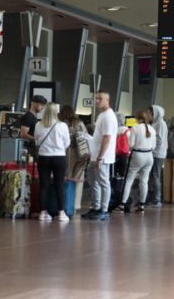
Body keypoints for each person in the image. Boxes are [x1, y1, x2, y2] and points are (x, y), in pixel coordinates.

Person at [82, 91, 118, 221]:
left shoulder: (108, 116)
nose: (97, 101)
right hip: (95, 155)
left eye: (100, 99)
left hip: (102, 157)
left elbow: (107, 138)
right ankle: (96, 207)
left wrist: (100, 157)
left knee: (103, 182)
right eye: (96, 98)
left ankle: (104, 210)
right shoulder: (102, 115)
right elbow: (97, 138)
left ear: (107, 100)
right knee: (93, 181)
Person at [34, 102, 71, 223]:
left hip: (44, 157)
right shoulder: (62, 126)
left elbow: (37, 141)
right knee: (59, 185)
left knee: (44, 185)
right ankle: (61, 213)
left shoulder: (38, 125)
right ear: (56, 112)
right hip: (59, 157)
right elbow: (67, 143)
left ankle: (43, 212)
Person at [121, 109, 155, 213]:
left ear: (138, 118)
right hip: (149, 156)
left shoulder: (135, 128)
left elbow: (131, 144)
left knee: (129, 179)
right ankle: (142, 205)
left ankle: (122, 204)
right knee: (144, 181)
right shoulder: (152, 129)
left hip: (137, 155)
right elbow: (154, 146)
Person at [58, 106, 89, 210]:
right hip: (80, 152)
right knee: (79, 179)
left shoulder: (60, 123)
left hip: (65, 152)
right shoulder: (79, 123)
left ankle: (67, 203)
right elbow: (86, 137)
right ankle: (76, 205)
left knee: (66, 177)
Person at [148, 105, 168, 208]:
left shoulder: (160, 124)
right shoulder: (157, 123)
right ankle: (154, 197)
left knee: (155, 175)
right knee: (154, 175)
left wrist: (153, 150)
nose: (149, 115)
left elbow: (159, 140)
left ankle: (157, 199)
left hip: (157, 154)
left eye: (150, 113)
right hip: (157, 153)